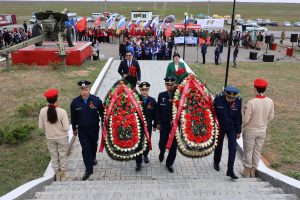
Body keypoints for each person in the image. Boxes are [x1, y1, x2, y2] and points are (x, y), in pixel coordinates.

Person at [70, 80, 104, 181]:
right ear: (80, 90)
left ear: (89, 89)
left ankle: (93, 157)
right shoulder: (75, 102)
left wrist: (104, 124)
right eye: (82, 89)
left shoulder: (96, 101)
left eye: (86, 89)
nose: (84, 91)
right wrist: (74, 128)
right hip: (82, 130)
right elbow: (73, 117)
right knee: (85, 149)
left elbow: (103, 113)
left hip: (94, 129)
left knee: (93, 145)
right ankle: (89, 169)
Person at [240, 79, 274, 178]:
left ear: (255, 88)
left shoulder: (251, 102)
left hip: (250, 130)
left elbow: (246, 120)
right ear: (265, 89)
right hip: (262, 130)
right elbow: (271, 116)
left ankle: (247, 171)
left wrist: (244, 111)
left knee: (248, 150)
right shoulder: (270, 101)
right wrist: (263, 123)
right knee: (257, 151)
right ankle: (253, 170)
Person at [39, 89, 70, 181]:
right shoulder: (62, 111)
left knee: (54, 155)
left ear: (47, 100)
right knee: (63, 155)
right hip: (62, 137)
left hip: (50, 137)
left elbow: (40, 126)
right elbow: (66, 127)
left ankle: (57, 174)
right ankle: (63, 175)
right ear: (57, 98)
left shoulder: (42, 111)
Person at [213, 86, 242, 179]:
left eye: (232, 98)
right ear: (225, 95)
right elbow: (213, 112)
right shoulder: (218, 99)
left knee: (233, 148)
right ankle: (216, 162)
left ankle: (230, 170)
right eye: (229, 98)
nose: (230, 100)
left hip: (231, 127)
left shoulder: (238, 101)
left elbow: (238, 117)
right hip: (220, 126)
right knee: (219, 146)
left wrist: (238, 131)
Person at [156, 77, 177, 173]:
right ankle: (162, 152)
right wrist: (158, 123)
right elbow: (158, 111)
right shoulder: (161, 95)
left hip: (175, 126)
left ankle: (169, 163)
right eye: (167, 84)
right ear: (165, 85)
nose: (169, 86)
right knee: (162, 143)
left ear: (174, 84)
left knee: (173, 147)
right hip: (164, 125)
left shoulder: (178, 96)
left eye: (171, 84)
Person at [135, 82, 157, 171]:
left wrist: (155, 124)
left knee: (147, 141)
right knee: (139, 144)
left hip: (148, 126)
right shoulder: (136, 100)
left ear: (148, 90)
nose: (144, 92)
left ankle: (145, 154)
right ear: (140, 90)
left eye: (146, 90)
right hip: (138, 126)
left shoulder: (152, 101)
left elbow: (155, 114)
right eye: (143, 90)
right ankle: (138, 162)